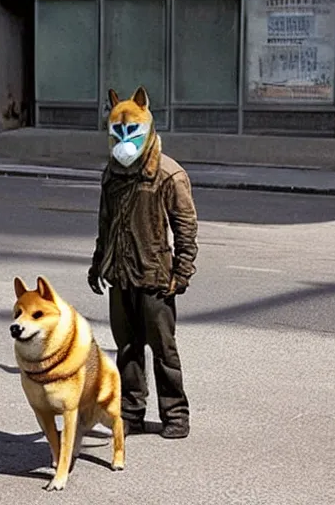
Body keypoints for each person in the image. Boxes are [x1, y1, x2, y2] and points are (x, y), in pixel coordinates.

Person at [87, 86, 198, 439]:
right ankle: (132, 411)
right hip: (120, 276)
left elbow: (185, 226)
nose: (123, 139)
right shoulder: (111, 174)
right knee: (127, 348)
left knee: (164, 350)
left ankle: (176, 415)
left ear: (147, 126)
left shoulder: (169, 174)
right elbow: (105, 222)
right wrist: (97, 263)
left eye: (130, 131)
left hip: (155, 276)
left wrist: (182, 271)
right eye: (117, 132)